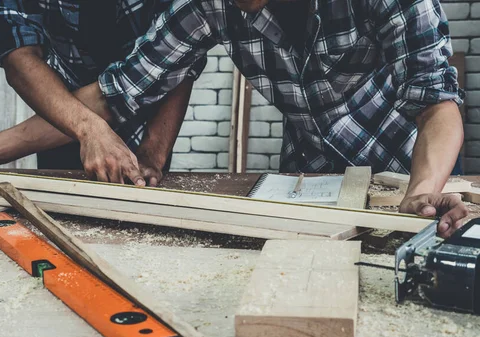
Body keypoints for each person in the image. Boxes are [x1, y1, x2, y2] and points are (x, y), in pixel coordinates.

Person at [92, 0, 469, 237]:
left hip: (407, 175)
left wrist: (421, 191)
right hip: (305, 183)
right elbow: (120, 88)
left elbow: (436, 104)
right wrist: (78, 128)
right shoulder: (207, 5)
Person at [0, 0, 206, 187]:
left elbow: (177, 64)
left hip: (151, 119)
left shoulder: (208, 10)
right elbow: (18, 58)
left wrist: (154, 152)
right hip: (60, 117)